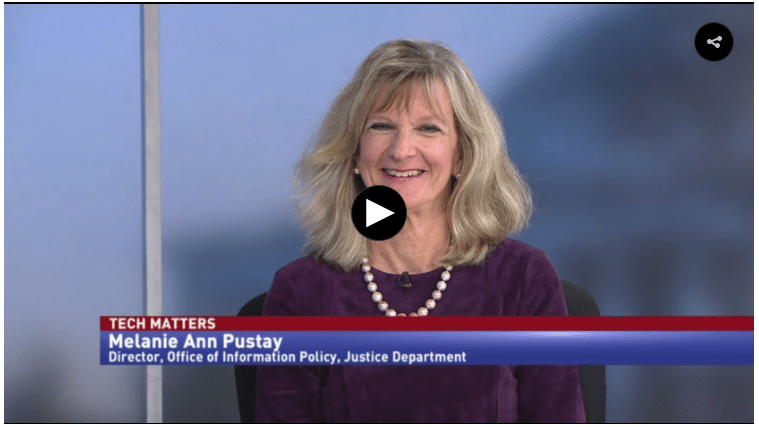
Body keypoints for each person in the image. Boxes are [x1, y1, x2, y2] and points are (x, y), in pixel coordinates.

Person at [251, 39, 585, 423]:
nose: (401, 149)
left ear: (462, 156)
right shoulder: (301, 292)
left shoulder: (524, 278)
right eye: (382, 126)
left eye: (428, 128)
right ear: (354, 152)